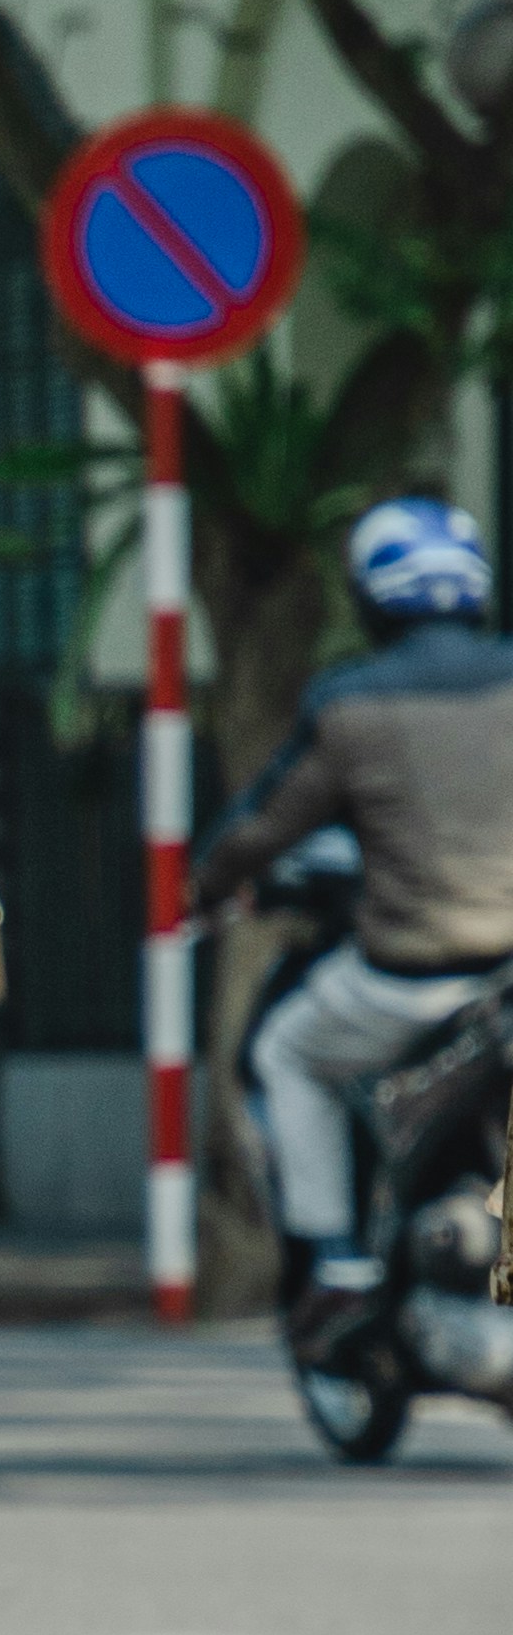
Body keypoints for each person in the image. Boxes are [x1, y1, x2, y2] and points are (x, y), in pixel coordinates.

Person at [193, 494, 513, 1325]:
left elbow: (262, 826)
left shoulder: (350, 704)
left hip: (412, 979)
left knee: (286, 1052)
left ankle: (335, 1259)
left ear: (369, 597)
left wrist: (204, 886)